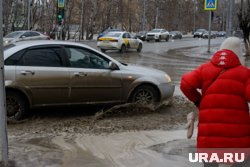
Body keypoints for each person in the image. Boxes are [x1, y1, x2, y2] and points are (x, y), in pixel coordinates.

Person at [180, 37, 250, 167]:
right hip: (237, 139)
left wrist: (198, 101)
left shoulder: (204, 69)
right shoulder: (245, 74)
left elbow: (185, 84)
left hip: (208, 138)